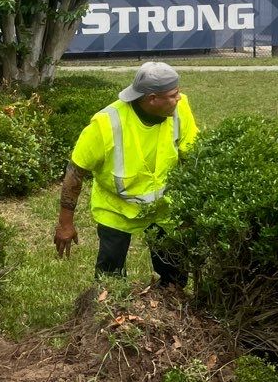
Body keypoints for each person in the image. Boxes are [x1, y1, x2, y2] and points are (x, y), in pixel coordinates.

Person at [53, 60, 199, 280]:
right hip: (116, 209)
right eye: (173, 95)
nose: (179, 98)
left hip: (163, 208)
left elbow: (193, 158)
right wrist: (65, 224)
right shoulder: (105, 124)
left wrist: (192, 209)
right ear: (152, 99)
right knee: (109, 277)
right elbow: (75, 172)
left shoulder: (180, 109)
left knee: (175, 275)